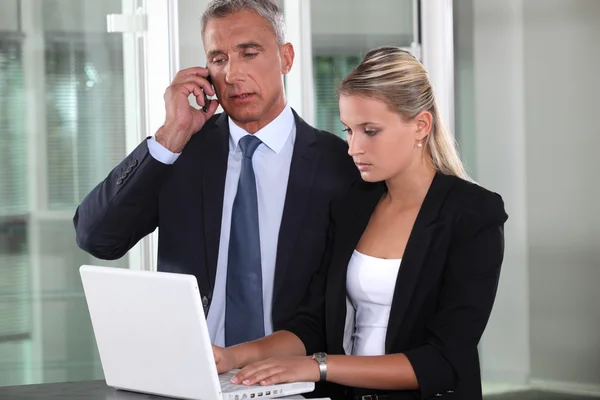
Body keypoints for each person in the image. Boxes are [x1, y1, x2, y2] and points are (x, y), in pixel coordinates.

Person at [212, 46, 509, 400]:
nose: (353, 148)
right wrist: (231, 356)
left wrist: (319, 366)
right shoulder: (353, 205)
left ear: (421, 125)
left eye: (369, 131)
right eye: (348, 131)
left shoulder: (474, 214)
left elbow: (443, 360)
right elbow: (313, 323)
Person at [72, 0, 358, 351]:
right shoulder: (181, 154)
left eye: (249, 53)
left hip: (294, 377)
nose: (232, 75)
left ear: (286, 57)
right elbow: (97, 238)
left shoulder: (340, 165)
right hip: (189, 374)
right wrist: (170, 135)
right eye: (218, 59)